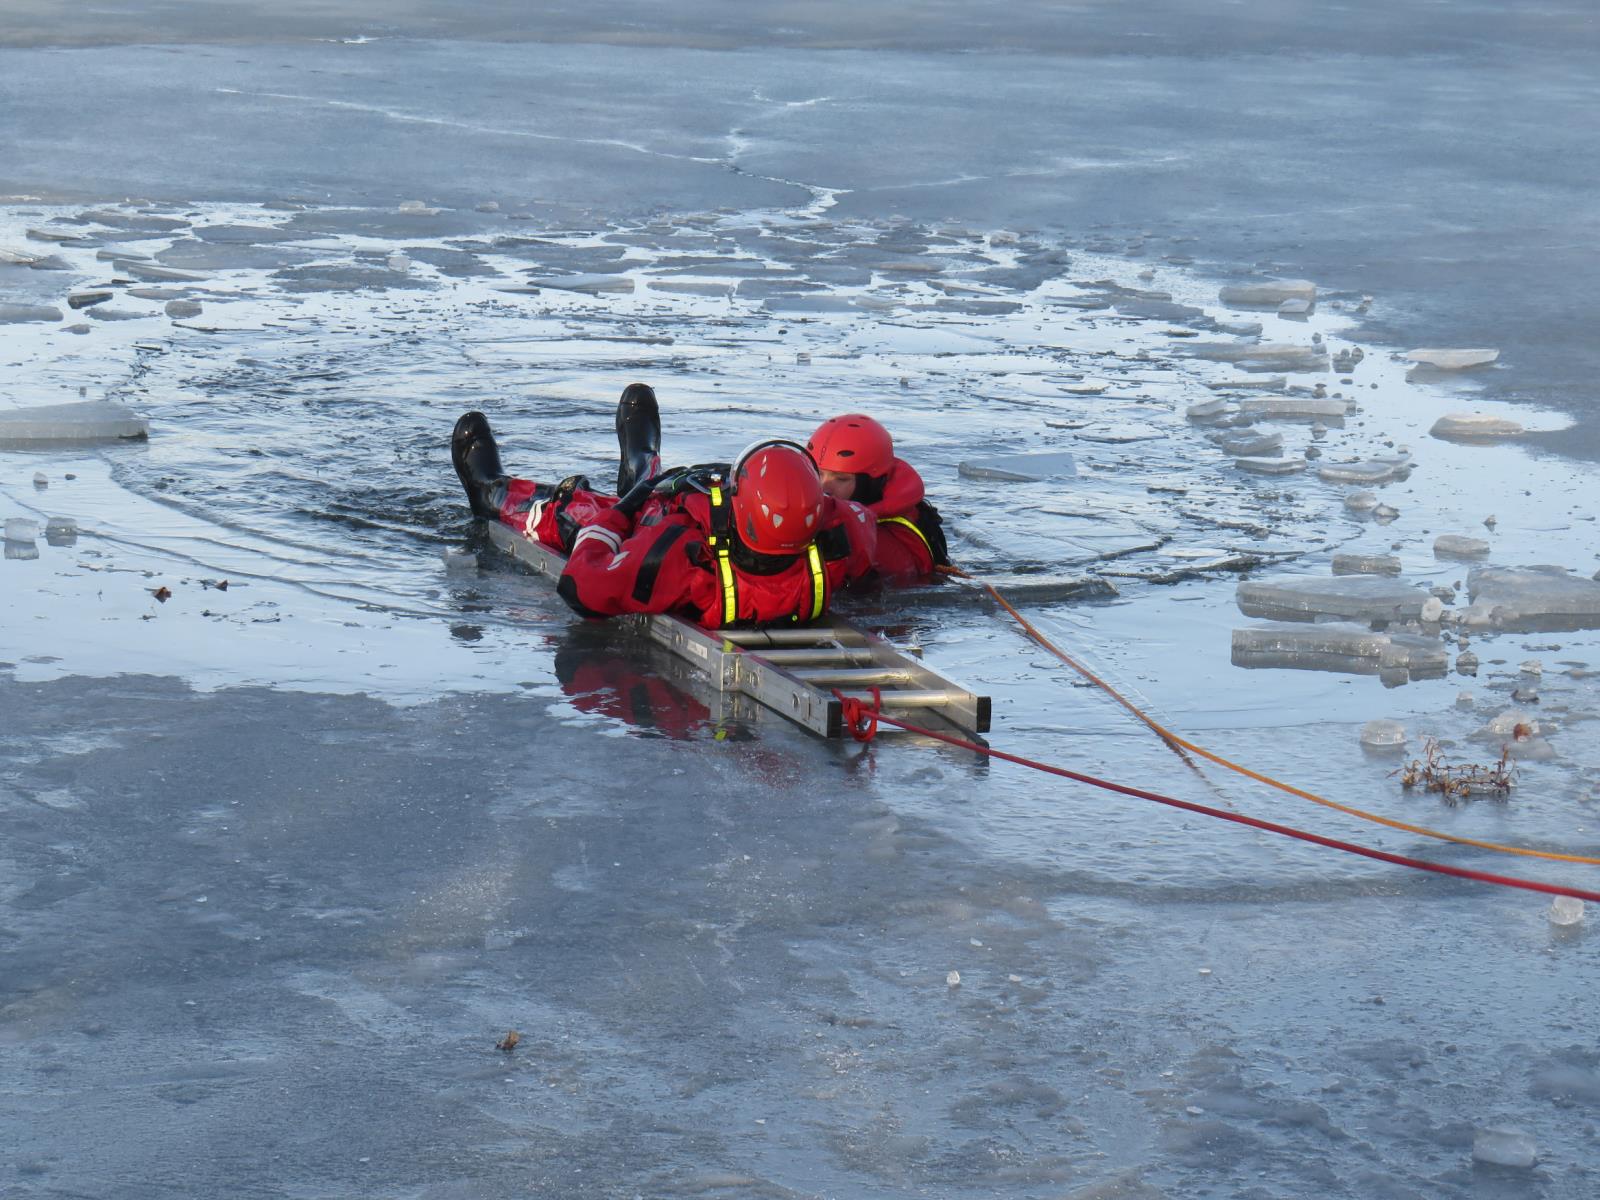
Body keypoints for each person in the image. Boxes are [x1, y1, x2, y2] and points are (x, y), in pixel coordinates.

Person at [451, 384, 877, 630]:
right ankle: (641, 466)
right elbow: (864, 524)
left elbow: (583, 589)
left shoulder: (680, 554)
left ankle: (491, 492)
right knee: (657, 489)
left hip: (655, 522)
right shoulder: (841, 537)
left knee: (574, 510)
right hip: (693, 516)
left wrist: (616, 519)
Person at [806, 413, 949, 585]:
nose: (823, 488)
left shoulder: (884, 546)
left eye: (841, 479)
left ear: (870, 484)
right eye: (817, 474)